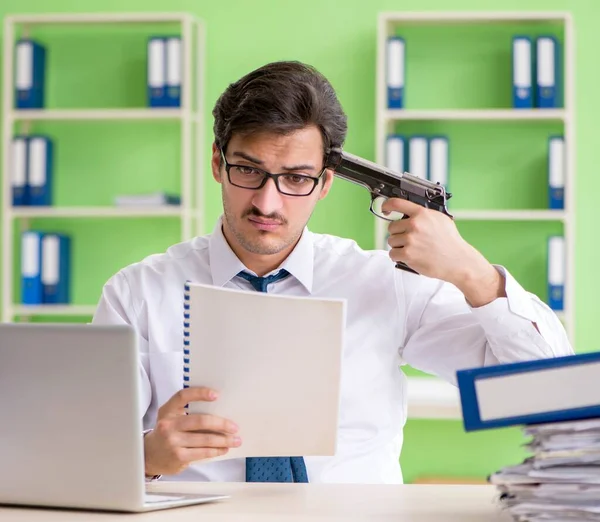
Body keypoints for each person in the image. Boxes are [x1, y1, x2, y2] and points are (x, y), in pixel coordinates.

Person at [92, 60, 573, 484]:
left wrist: (473, 273)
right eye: (248, 170)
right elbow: (79, 459)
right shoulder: (137, 294)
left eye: (296, 178)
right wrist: (144, 456)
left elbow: (547, 395)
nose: (267, 201)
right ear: (218, 163)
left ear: (324, 183)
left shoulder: (387, 284)